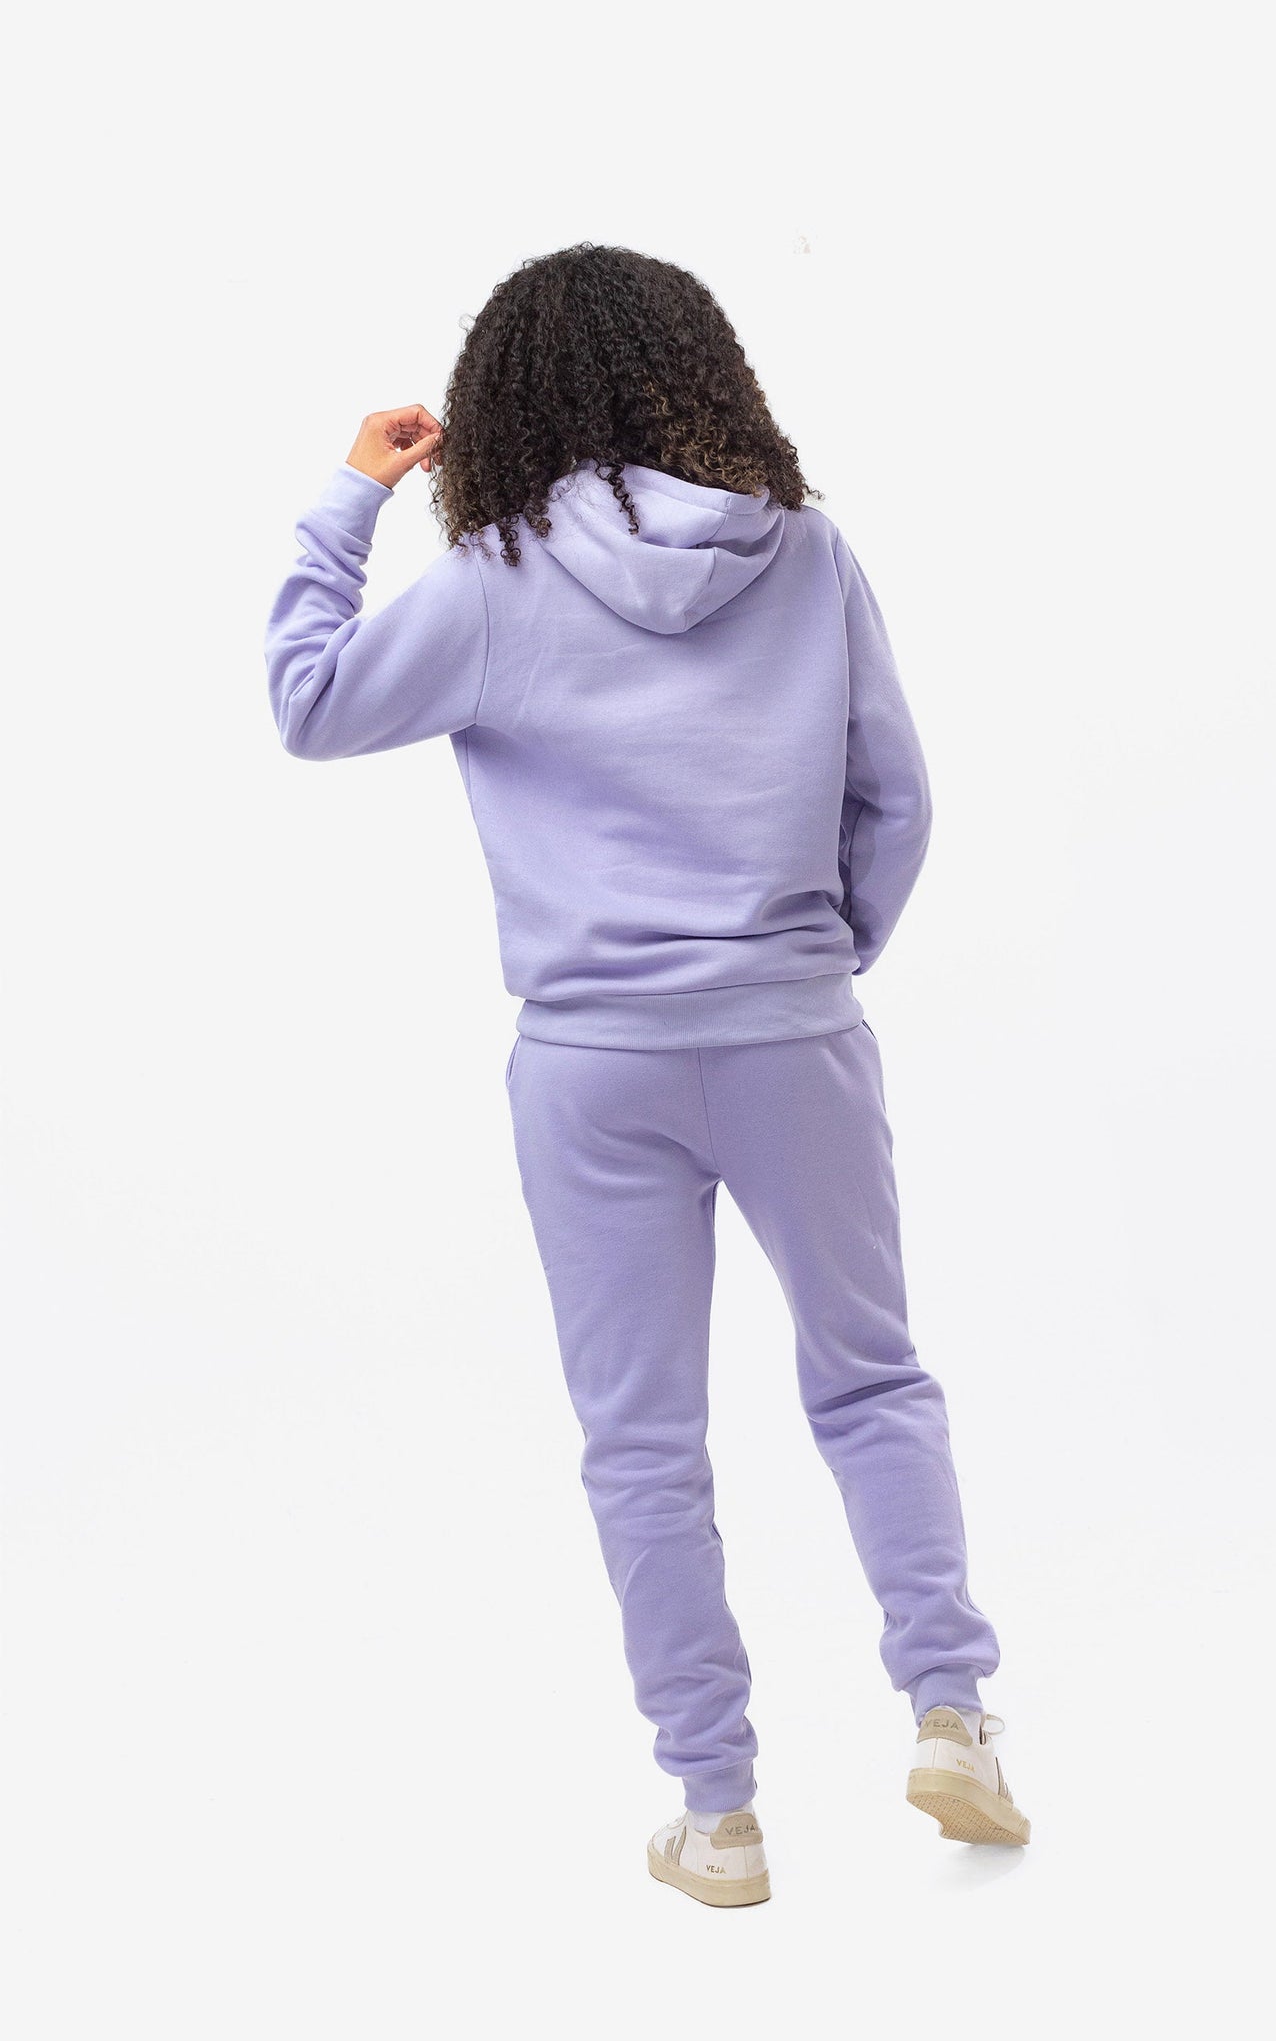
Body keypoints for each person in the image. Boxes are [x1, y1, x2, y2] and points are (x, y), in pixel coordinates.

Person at [263, 242, 1029, 1907]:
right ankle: (950, 1714)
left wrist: (349, 497)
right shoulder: (805, 553)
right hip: (793, 1034)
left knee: (642, 1441)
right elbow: (894, 795)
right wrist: (811, 962)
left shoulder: (496, 578)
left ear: (502, 403)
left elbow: (308, 705)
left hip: (590, 1063)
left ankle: (718, 1814)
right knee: (871, 1381)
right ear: (701, 369)